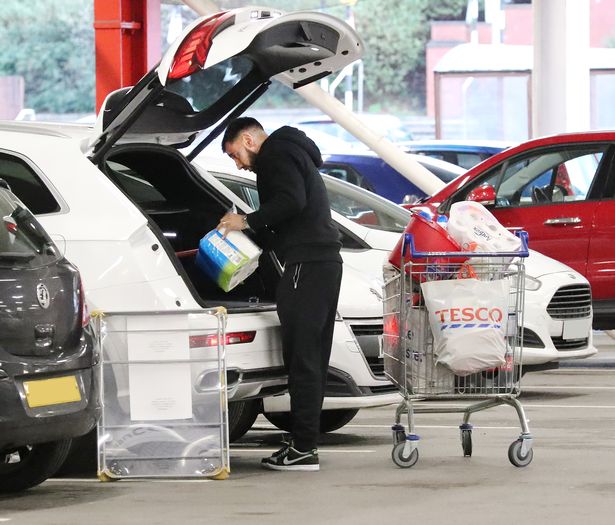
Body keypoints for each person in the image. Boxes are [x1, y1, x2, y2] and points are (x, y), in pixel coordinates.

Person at [218, 117, 343, 472]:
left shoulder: (276, 154)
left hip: (308, 262)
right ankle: (304, 443)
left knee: (302, 357)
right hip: (322, 261)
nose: (239, 163)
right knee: (312, 356)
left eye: (235, 155)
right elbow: (290, 214)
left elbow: (291, 201)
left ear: (248, 139)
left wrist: (246, 221)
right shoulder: (293, 151)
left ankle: (304, 450)